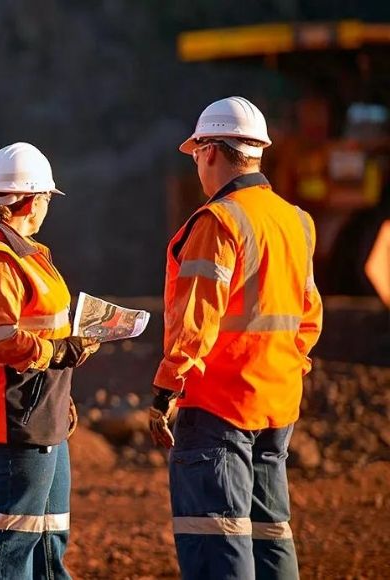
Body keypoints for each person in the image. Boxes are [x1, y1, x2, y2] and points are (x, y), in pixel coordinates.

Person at [148, 97, 323, 579]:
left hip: (219, 407)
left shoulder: (219, 221)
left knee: (217, 539)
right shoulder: (296, 220)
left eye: (197, 155)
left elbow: (196, 320)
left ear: (209, 152)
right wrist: (286, 369)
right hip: (277, 404)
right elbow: (309, 317)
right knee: (270, 535)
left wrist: (166, 388)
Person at [0, 142, 99, 579]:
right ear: (35, 201)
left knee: (49, 533)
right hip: (13, 413)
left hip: (38, 409)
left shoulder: (21, 251)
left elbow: (36, 328)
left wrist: (63, 375)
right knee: (13, 536)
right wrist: (58, 352)